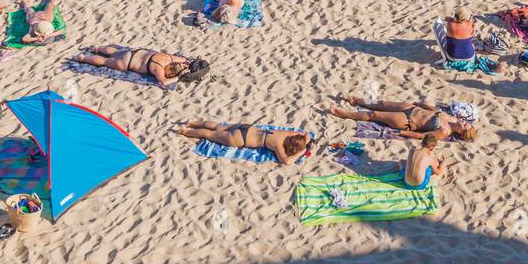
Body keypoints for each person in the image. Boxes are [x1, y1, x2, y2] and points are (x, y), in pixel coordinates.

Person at [329, 94, 476, 140]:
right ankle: (356, 101)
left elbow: (422, 136)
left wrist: (403, 133)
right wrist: (422, 104)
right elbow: (435, 110)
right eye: (466, 122)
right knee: (382, 103)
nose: (463, 121)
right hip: (412, 108)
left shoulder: (443, 132)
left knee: (374, 115)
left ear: (460, 132)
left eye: (465, 125)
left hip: (407, 121)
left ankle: (343, 113)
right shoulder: (452, 118)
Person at [176, 121, 311, 165]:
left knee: (217, 126)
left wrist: (305, 141)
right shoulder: (278, 146)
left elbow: (307, 135)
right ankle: (185, 132)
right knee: (210, 135)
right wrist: (302, 152)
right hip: (241, 139)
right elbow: (287, 161)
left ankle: (192, 123)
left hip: (247, 127)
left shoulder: (287, 134)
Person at [74, 46, 191, 84]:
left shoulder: (169, 57)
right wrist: (178, 77)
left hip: (135, 51)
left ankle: (97, 48)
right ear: (170, 70)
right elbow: (164, 81)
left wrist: (186, 65)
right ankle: (84, 58)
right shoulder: (159, 68)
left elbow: (183, 59)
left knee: (114, 52)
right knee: (105, 62)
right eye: (170, 74)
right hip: (127, 63)